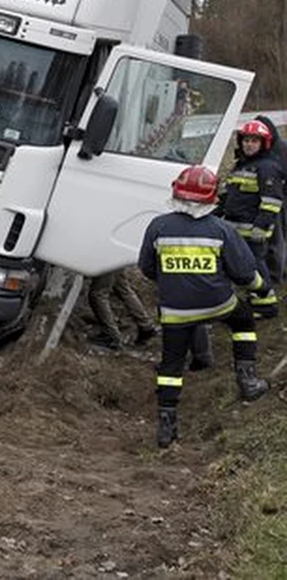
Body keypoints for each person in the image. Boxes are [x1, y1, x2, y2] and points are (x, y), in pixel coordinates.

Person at [139, 165, 269, 449]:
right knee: (244, 320)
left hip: (174, 312)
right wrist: (262, 289)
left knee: (171, 364)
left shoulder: (158, 226)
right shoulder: (221, 229)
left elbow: (146, 267)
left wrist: (173, 281)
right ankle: (248, 381)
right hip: (217, 304)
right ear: (212, 197)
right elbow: (244, 273)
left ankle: (166, 427)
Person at [218, 120, 283, 319]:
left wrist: (261, 228)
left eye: (254, 141)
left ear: (263, 143)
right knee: (245, 267)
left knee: (255, 266)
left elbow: (272, 201)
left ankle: (266, 305)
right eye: (246, 140)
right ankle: (256, 298)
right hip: (236, 228)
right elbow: (229, 197)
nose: (249, 144)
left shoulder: (267, 167)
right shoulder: (241, 166)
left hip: (253, 230)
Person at [87, 268, 159, 351]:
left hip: (106, 261)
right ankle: (145, 325)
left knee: (98, 294)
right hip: (117, 260)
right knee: (122, 288)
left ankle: (111, 335)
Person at [254, 114, 287, 285]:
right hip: (267, 196)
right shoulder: (266, 150)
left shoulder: (281, 151)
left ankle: (275, 275)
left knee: (276, 238)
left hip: (278, 198)